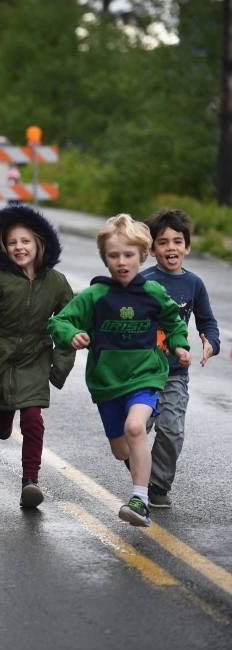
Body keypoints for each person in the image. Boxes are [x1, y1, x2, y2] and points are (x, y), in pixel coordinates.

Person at [49, 214, 190, 527]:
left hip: (146, 375)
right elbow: (59, 321)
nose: (122, 262)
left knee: (136, 428)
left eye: (128, 255)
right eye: (114, 256)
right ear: (105, 259)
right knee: (120, 450)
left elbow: (173, 320)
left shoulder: (152, 292)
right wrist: (71, 335)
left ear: (142, 256)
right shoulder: (95, 296)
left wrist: (180, 345)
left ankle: (139, 500)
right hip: (107, 382)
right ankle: (141, 467)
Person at [0, 206, 75, 508]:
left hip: (35, 359)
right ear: (3, 247)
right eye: (12, 242)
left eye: (25, 241)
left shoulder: (57, 282)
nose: (19, 247)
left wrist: (59, 366)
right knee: (0, 427)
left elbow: (71, 323)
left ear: (39, 243)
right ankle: (0, 418)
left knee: (33, 420)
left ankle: (30, 482)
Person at [140, 208, 220, 509]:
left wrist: (210, 342)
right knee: (133, 431)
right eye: (162, 242)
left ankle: (157, 485)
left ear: (187, 246)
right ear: (151, 249)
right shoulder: (143, 282)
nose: (170, 247)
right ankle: (137, 467)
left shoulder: (194, 284)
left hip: (175, 372)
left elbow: (208, 322)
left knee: (172, 429)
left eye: (177, 241)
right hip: (141, 372)